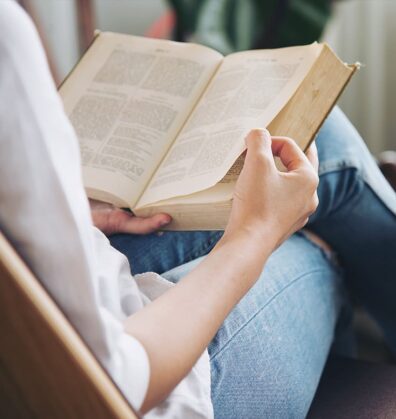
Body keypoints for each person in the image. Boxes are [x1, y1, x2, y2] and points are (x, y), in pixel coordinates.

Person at [0, 1, 395, 418]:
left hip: (60, 297)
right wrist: (254, 236)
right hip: (127, 388)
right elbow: (111, 381)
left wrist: (63, 208)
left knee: (309, 139)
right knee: (313, 237)